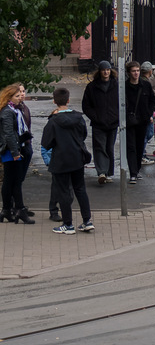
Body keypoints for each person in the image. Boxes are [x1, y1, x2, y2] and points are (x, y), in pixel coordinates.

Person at [42, 87, 94, 235]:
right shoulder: (78, 117)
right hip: (77, 157)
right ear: (69, 100)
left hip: (61, 160)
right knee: (80, 189)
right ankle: (87, 221)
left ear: (54, 101)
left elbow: (46, 142)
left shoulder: (53, 122)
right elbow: (83, 135)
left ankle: (68, 224)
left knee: (64, 191)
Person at [0, 83, 36, 224]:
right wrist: (15, 152)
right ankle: (19, 209)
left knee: (10, 181)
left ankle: (7, 210)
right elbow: (8, 133)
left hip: (12, 149)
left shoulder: (10, 109)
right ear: (9, 97)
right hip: (11, 150)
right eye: (16, 96)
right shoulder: (8, 111)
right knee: (14, 181)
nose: (19, 98)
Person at [81, 61, 120, 184]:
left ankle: (109, 173)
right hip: (99, 123)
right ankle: (102, 172)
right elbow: (86, 106)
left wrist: (117, 116)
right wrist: (96, 117)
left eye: (108, 70)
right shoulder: (92, 87)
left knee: (109, 147)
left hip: (113, 122)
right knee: (99, 147)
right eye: (103, 70)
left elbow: (123, 103)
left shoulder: (117, 86)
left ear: (111, 71)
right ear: (100, 72)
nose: (106, 72)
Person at [122, 60, 155, 183]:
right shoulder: (124, 87)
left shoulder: (145, 85)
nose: (136, 73)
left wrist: (148, 114)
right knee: (131, 146)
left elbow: (152, 100)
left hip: (142, 120)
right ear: (129, 73)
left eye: (137, 71)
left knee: (139, 145)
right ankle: (133, 173)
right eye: (133, 71)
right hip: (129, 121)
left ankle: (136, 169)